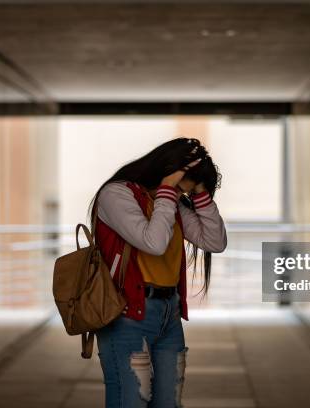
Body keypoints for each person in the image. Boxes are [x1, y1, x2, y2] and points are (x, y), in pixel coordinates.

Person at [88, 137, 227, 408]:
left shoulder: (169, 202)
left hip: (169, 315)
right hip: (127, 315)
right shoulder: (116, 194)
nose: (180, 196)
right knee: (131, 401)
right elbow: (154, 242)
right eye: (181, 188)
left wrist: (199, 193)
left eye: (185, 192)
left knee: (168, 403)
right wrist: (167, 191)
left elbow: (215, 242)